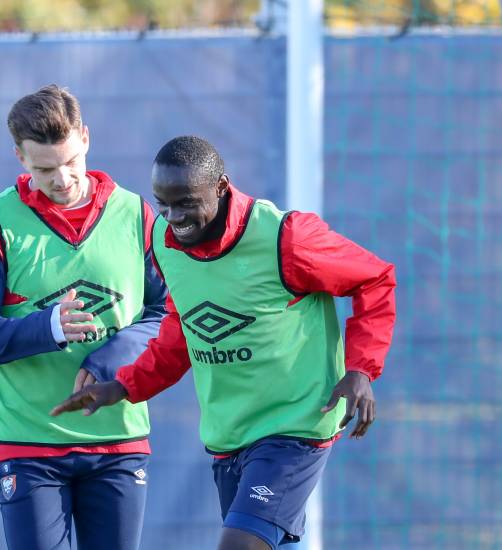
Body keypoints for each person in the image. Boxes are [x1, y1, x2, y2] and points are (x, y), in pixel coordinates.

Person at [52, 136, 396, 550]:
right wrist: (123, 386)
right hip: (229, 435)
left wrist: (360, 369)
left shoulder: (286, 238)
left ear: (220, 186)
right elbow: (183, 331)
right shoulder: (166, 243)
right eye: (163, 202)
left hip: (294, 426)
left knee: (237, 545)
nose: (173, 217)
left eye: (185, 203)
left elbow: (373, 279)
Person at [0, 84, 167, 550]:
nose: (63, 178)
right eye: (45, 168)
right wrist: (49, 327)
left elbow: (166, 312)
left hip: (117, 439)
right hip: (28, 442)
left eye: (71, 161)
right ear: (19, 158)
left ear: (86, 138)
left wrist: (107, 361)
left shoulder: (136, 214)